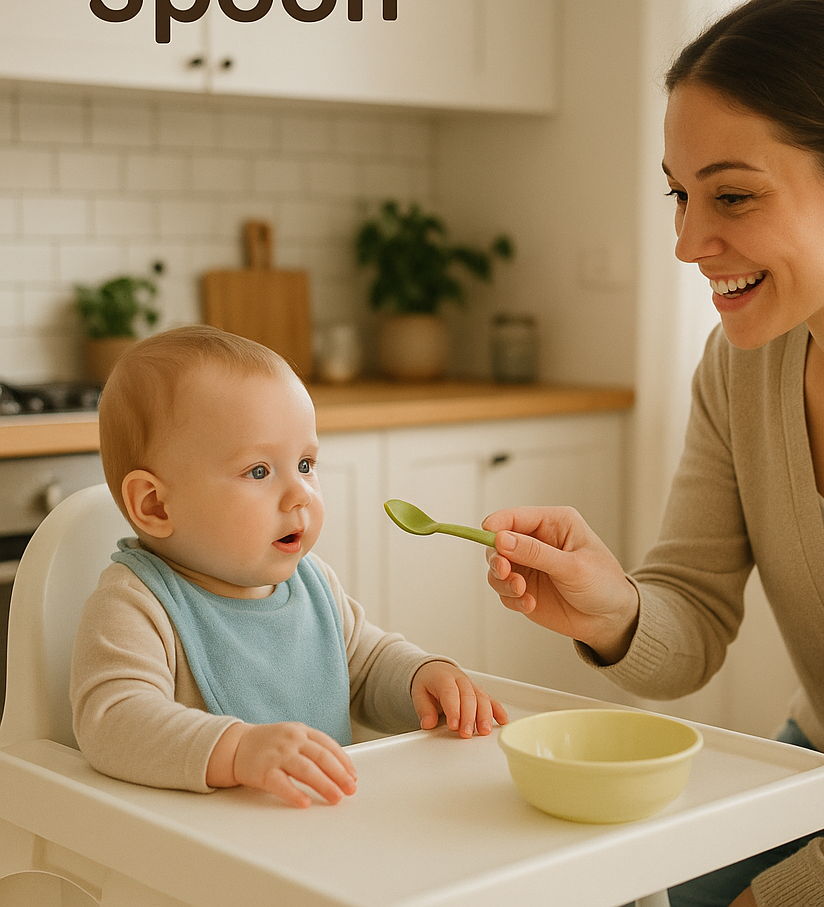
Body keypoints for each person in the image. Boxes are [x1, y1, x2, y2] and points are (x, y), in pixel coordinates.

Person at [482, 0, 824, 906]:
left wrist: (781, 896)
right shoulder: (744, 367)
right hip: (822, 782)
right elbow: (691, 621)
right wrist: (613, 611)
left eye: (732, 195)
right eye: (680, 195)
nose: (689, 242)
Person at [71, 324, 506, 809]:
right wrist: (236, 750)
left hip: (320, 826)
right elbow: (113, 721)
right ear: (155, 505)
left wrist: (422, 678)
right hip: (211, 842)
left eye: (305, 464)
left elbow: (366, 666)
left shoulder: (312, 583)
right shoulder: (136, 604)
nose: (301, 493)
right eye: (258, 471)